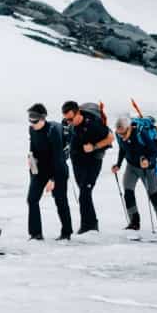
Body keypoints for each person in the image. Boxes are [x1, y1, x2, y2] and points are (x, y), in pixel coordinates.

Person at [61, 100, 112, 235]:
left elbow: (110, 138)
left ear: (78, 113)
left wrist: (94, 147)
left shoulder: (93, 124)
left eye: (71, 119)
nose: (69, 122)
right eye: (67, 119)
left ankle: (88, 225)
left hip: (93, 161)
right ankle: (91, 223)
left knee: (84, 192)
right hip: (77, 160)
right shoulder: (68, 123)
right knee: (84, 192)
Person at [112, 111, 157, 231]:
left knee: (153, 193)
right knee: (128, 191)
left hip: (146, 168)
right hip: (131, 166)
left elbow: (155, 151)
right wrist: (118, 164)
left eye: (123, 134)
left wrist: (148, 161)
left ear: (129, 128)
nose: (121, 136)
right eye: (119, 134)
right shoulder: (119, 134)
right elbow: (122, 149)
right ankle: (134, 222)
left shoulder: (141, 133)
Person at [25, 103, 73, 241]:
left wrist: (52, 179)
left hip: (58, 170)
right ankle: (36, 234)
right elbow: (33, 148)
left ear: (43, 118)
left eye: (35, 120)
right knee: (32, 199)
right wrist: (31, 159)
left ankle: (66, 232)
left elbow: (58, 158)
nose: (32, 123)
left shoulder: (53, 131)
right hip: (40, 170)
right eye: (30, 120)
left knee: (60, 200)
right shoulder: (32, 130)